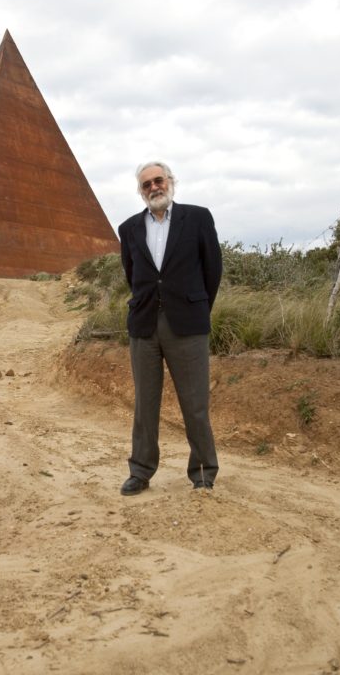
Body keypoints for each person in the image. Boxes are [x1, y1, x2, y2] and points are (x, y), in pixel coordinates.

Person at [118, 161, 222, 495]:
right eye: (146, 184)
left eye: (158, 180)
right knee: (145, 405)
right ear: (141, 191)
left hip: (187, 325)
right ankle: (141, 471)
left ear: (170, 182)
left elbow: (212, 269)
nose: (153, 188)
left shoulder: (198, 218)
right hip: (144, 325)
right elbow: (132, 274)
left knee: (194, 404)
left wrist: (198, 308)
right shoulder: (129, 228)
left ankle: (203, 471)